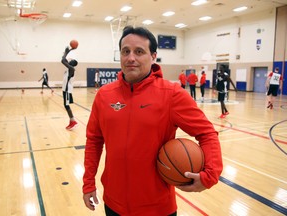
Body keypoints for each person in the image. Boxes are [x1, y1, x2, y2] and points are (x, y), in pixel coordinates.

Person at [82, 26, 223, 216]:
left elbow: (207, 133)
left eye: (139, 51)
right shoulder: (104, 95)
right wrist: (88, 182)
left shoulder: (171, 94)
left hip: (158, 208)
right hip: (113, 204)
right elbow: (94, 140)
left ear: (153, 56)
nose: (131, 58)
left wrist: (210, 175)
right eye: (126, 51)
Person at [61, 46, 78, 130]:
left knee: (66, 105)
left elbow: (63, 60)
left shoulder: (71, 69)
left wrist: (67, 51)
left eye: (71, 61)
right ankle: (71, 121)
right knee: (66, 105)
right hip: (65, 89)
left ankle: (73, 121)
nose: (69, 61)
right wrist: (67, 52)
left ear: (72, 63)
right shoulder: (69, 69)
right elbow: (64, 60)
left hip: (67, 90)